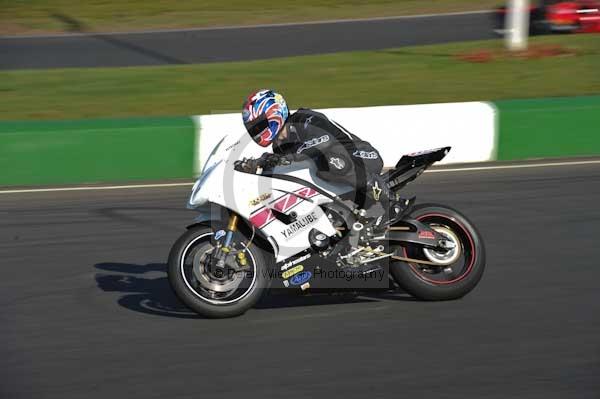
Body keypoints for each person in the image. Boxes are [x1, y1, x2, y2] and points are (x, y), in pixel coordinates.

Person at [239, 89, 390, 212]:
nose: (256, 131)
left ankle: (385, 195)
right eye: (252, 128)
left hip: (363, 156)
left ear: (274, 113)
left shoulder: (305, 118)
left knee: (331, 159)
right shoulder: (279, 146)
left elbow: (324, 141)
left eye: (258, 125)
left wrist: (288, 158)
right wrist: (257, 166)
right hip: (338, 176)